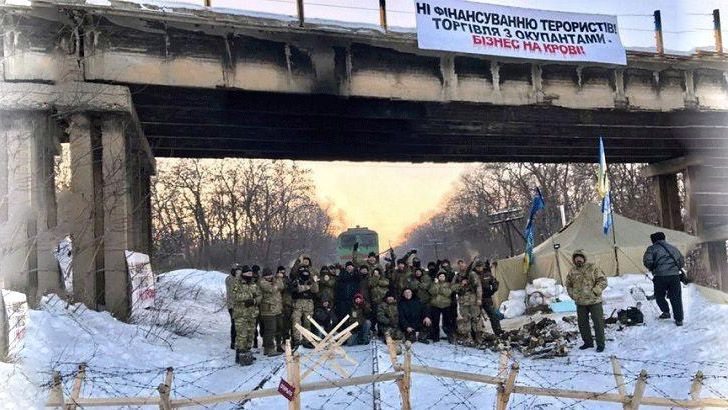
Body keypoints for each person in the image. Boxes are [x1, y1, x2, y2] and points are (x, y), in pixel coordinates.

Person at [565, 249, 608, 352]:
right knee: (583, 324)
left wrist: (595, 291)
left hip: (594, 301)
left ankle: (600, 344)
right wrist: (573, 295)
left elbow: (603, 281)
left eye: (580, 258)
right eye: (576, 259)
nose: (578, 260)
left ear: (584, 258)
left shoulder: (593, 268)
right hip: (580, 302)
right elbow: (568, 285)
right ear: (574, 260)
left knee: (598, 323)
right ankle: (588, 342)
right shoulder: (572, 271)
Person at [643, 232, 686, 326]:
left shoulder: (651, 249)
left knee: (659, 296)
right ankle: (679, 319)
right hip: (674, 276)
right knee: (676, 297)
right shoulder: (673, 248)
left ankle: (666, 312)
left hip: (660, 276)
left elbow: (647, 261)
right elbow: (682, 262)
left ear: (653, 240)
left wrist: (653, 268)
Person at [231, 266, 262, 365]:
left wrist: (254, 300)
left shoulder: (253, 284)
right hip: (241, 314)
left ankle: (247, 352)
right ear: (243, 274)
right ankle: (240, 354)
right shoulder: (237, 283)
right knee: (241, 335)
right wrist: (248, 297)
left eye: (250, 274)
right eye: (247, 274)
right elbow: (235, 296)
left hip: (252, 314)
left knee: (250, 334)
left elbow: (259, 295)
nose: (249, 275)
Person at [257, 267, 284, 356]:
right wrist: (278, 279)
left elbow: (282, 286)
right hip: (268, 310)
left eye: (270, 275)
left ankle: (275, 346)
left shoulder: (274, 281)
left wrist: (277, 281)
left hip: (277, 310)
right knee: (270, 329)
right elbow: (272, 289)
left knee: (278, 328)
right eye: (267, 275)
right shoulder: (262, 282)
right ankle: (269, 349)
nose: (269, 277)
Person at [290, 269, 319, 348]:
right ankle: (296, 340)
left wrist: (315, 282)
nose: (305, 275)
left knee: (307, 323)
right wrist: (307, 287)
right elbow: (295, 290)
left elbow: (315, 290)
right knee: (296, 321)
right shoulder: (296, 281)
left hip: (308, 304)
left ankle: (307, 340)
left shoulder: (311, 281)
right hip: (298, 304)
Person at [452, 274, 483, 346]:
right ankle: (468, 337)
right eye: (463, 280)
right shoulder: (458, 284)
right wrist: (461, 285)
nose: (465, 281)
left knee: (476, 319)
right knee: (465, 320)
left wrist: (479, 299)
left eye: (466, 280)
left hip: (473, 303)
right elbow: (453, 289)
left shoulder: (472, 284)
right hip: (463, 305)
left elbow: (479, 288)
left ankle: (478, 337)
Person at [476, 260, 503, 336]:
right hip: (477, 299)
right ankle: (477, 334)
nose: (479, 268)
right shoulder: (473, 275)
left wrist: (494, 289)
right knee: (476, 317)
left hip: (487, 298)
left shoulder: (487, 274)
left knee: (493, 315)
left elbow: (494, 281)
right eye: (477, 267)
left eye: (480, 266)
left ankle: (498, 332)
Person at [428, 272, 454, 343]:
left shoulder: (448, 284)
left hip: (446, 305)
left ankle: (449, 336)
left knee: (447, 322)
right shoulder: (434, 283)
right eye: (440, 276)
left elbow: (448, 293)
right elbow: (432, 292)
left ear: (445, 277)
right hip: (435, 305)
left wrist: (440, 287)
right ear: (438, 277)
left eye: (443, 276)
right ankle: (435, 337)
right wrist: (436, 285)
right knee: (435, 322)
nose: (442, 277)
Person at [225, 264, 242, 349]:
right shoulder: (229, 279)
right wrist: (238, 277)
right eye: (237, 270)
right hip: (232, 305)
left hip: (239, 305)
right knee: (235, 324)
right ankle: (233, 342)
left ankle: (238, 341)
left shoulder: (239, 279)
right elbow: (234, 289)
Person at [279, 265, 294, 346]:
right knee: (281, 324)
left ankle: (287, 340)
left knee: (288, 324)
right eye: (281, 271)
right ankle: (283, 340)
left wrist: (290, 286)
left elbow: (291, 289)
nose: (282, 273)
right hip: (279, 304)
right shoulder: (276, 280)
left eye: (283, 271)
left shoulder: (287, 279)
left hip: (288, 304)